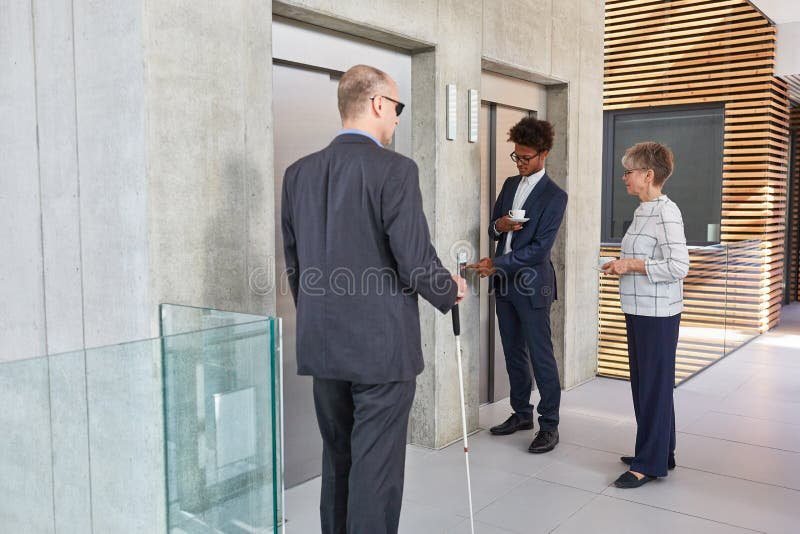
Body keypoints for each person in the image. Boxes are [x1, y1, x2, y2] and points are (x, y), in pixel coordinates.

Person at [281, 64, 467, 534]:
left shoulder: (297, 173)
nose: (398, 119)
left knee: (339, 461)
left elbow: (295, 264)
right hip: (381, 354)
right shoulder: (396, 170)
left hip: (324, 348)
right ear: (379, 103)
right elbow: (413, 256)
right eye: (397, 108)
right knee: (376, 472)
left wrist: (320, 321)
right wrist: (450, 289)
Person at [467, 117, 567, 454]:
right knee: (512, 353)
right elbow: (494, 228)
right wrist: (500, 224)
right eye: (516, 157)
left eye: (525, 157)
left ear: (543, 154)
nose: (520, 162)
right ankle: (521, 413)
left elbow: (540, 249)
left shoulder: (555, 196)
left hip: (532, 284)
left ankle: (549, 424)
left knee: (541, 356)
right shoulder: (510, 184)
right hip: (504, 283)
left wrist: (495, 263)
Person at [601, 141, 689, 489]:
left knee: (652, 386)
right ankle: (661, 450)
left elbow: (679, 266)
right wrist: (619, 265)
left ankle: (648, 463)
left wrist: (633, 264)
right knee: (648, 385)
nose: (624, 177)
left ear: (648, 175)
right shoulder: (643, 210)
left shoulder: (667, 212)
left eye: (629, 171)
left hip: (658, 314)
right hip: (638, 309)